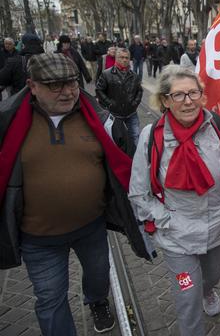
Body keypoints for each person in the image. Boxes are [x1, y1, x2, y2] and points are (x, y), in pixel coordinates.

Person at [0, 53, 153, 335]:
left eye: (71, 83)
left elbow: (127, 169)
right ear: (32, 86)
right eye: (55, 85)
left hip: (91, 228)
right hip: (37, 239)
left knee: (98, 277)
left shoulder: (100, 119)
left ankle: (96, 301)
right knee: (50, 300)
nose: (68, 91)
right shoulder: (7, 123)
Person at [128, 65, 220, 336]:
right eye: (178, 95)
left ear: (202, 96)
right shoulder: (151, 138)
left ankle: (208, 291)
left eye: (193, 93)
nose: (187, 101)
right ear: (164, 100)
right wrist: (166, 219)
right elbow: (138, 192)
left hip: (217, 226)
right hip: (176, 235)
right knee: (187, 294)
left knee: (211, 277)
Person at [96, 48, 143, 145]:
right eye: (122, 57)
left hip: (131, 113)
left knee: (135, 137)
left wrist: (135, 103)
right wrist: (109, 103)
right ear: (116, 58)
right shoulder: (106, 74)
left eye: (127, 57)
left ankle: (135, 158)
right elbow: (99, 90)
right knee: (116, 140)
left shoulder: (134, 75)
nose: (125, 60)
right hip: (115, 113)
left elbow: (139, 90)